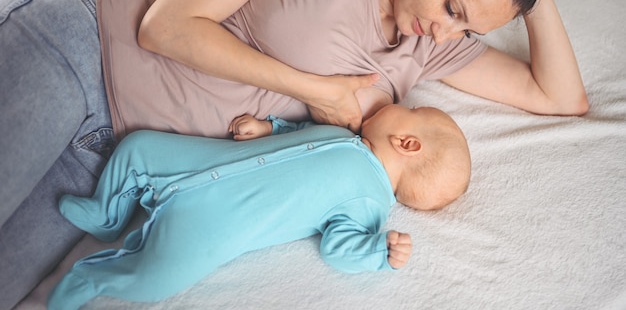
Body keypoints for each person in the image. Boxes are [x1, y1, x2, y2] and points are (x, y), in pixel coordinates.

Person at [0, 0, 588, 307]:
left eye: (467, 31)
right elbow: (166, 24)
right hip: (82, 45)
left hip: (108, 155)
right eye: (453, 9)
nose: (444, 33)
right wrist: (316, 91)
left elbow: (560, 97)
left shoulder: (426, 51)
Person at [47, 104, 471, 309]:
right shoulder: (344, 134)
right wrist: (270, 127)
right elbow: (301, 132)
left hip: (216, 223)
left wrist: (380, 252)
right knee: (138, 146)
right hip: (207, 160)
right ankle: (106, 213)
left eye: (410, 109)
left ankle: (94, 278)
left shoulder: (370, 202)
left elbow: (338, 247)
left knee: (157, 277)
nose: (397, 102)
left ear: (407, 143)